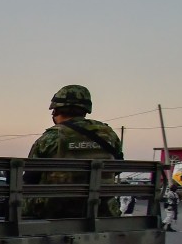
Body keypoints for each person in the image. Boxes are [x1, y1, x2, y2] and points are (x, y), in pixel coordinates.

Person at [24, 85, 123, 218]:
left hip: (54, 210)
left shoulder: (51, 137)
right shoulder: (108, 134)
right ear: (85, 110)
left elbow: (30, 178)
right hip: (102, 209)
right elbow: (117, 167)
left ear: (56, 111)